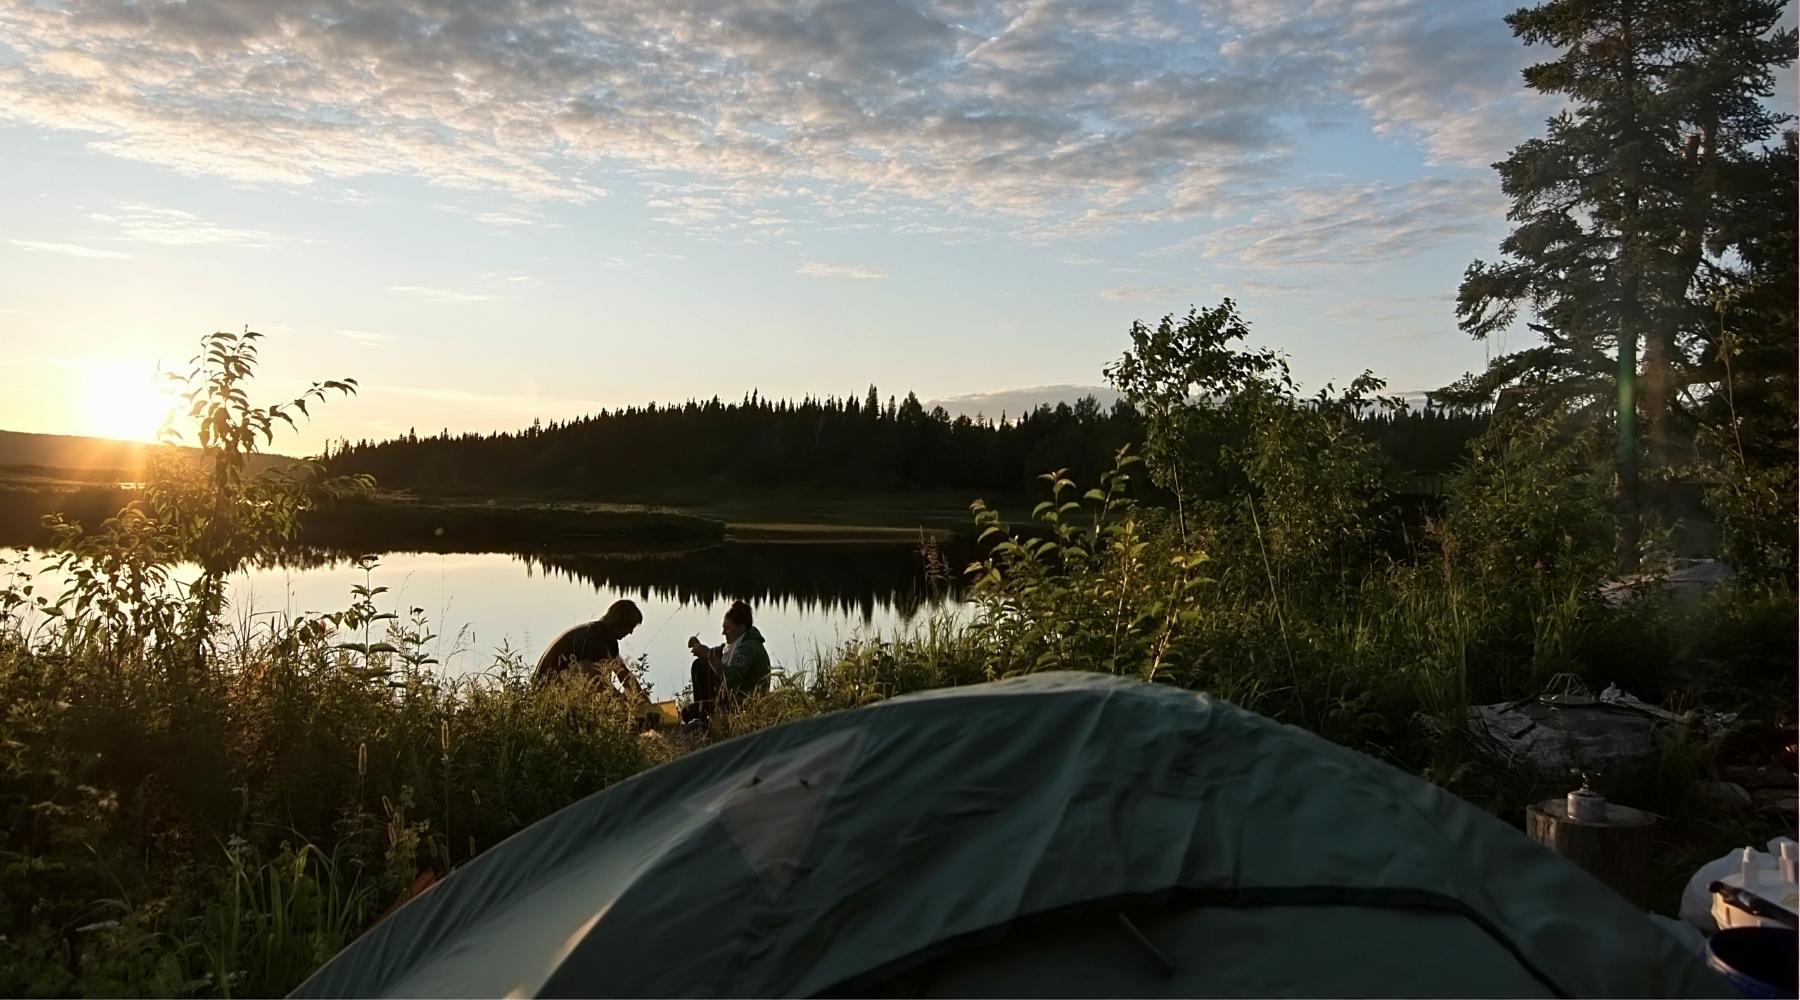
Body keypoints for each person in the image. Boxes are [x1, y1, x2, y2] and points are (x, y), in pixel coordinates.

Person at [683, 600, 770, 725]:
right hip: (731, 698)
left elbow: (731, 679)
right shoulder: (737, 643)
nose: (723, 633)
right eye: (723, 628)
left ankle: (708, 721)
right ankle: (706, 719)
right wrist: (700, 647)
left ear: (741, 627)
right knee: (700, 665)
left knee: (688, 712)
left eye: (727, 628)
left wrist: (708, 654)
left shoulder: (748, 649)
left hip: (744, 704)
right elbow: (718, 652)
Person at [534, 599, 644, 686]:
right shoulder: (594, 637)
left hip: (560, 685)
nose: (630, 632)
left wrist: (642, 701)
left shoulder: (609, 640)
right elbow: (599, 685)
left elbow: (625, 676)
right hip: (547, 688)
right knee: (596, 677)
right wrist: (625, 703)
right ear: (619, 622)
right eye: (630, 626)